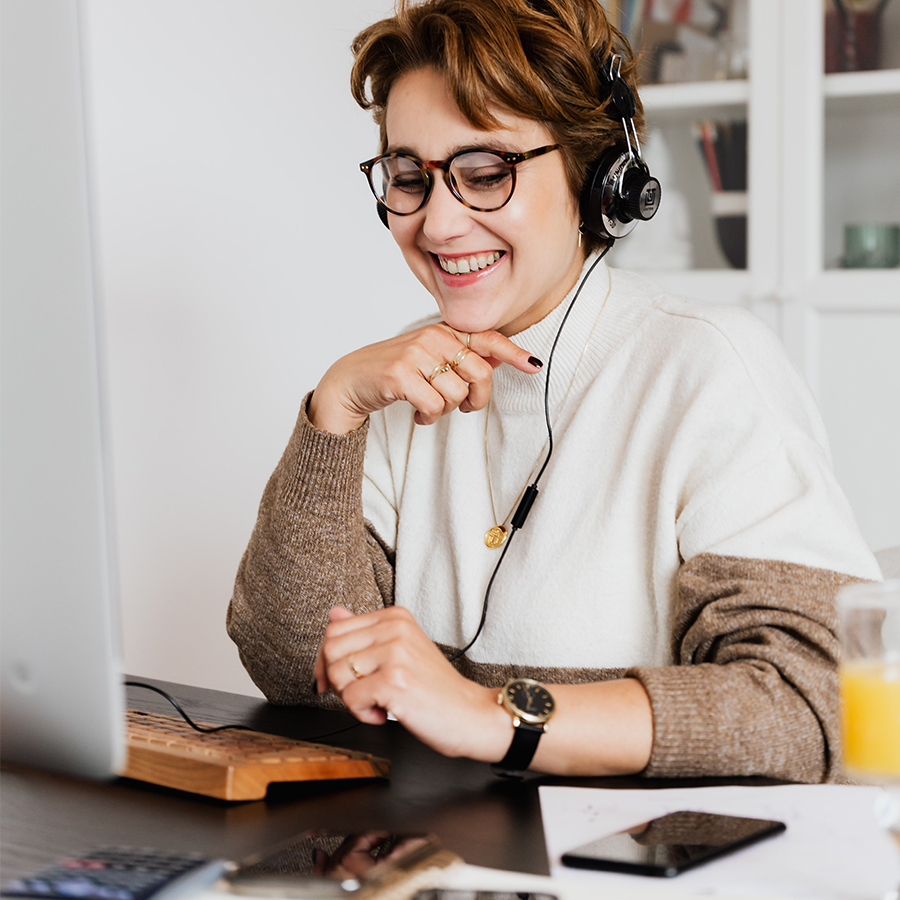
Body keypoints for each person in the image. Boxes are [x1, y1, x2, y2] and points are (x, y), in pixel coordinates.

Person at [227, 0, 880, 782]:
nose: (437, 224)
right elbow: (297, 671)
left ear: (596, 174)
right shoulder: (401, 381)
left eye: (486, 172)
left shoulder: (706, 366)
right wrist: (333, 411)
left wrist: (495, 716)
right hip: (447, 850)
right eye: (410, 175)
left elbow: (809, 707)